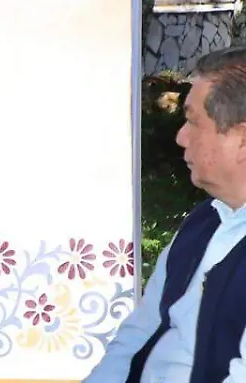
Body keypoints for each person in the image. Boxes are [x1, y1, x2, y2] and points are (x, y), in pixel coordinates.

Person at [82, 47, 246, 383]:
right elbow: (137, 336)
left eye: (193, 121)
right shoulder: (203, 223)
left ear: (242, 139)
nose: (181, 137)